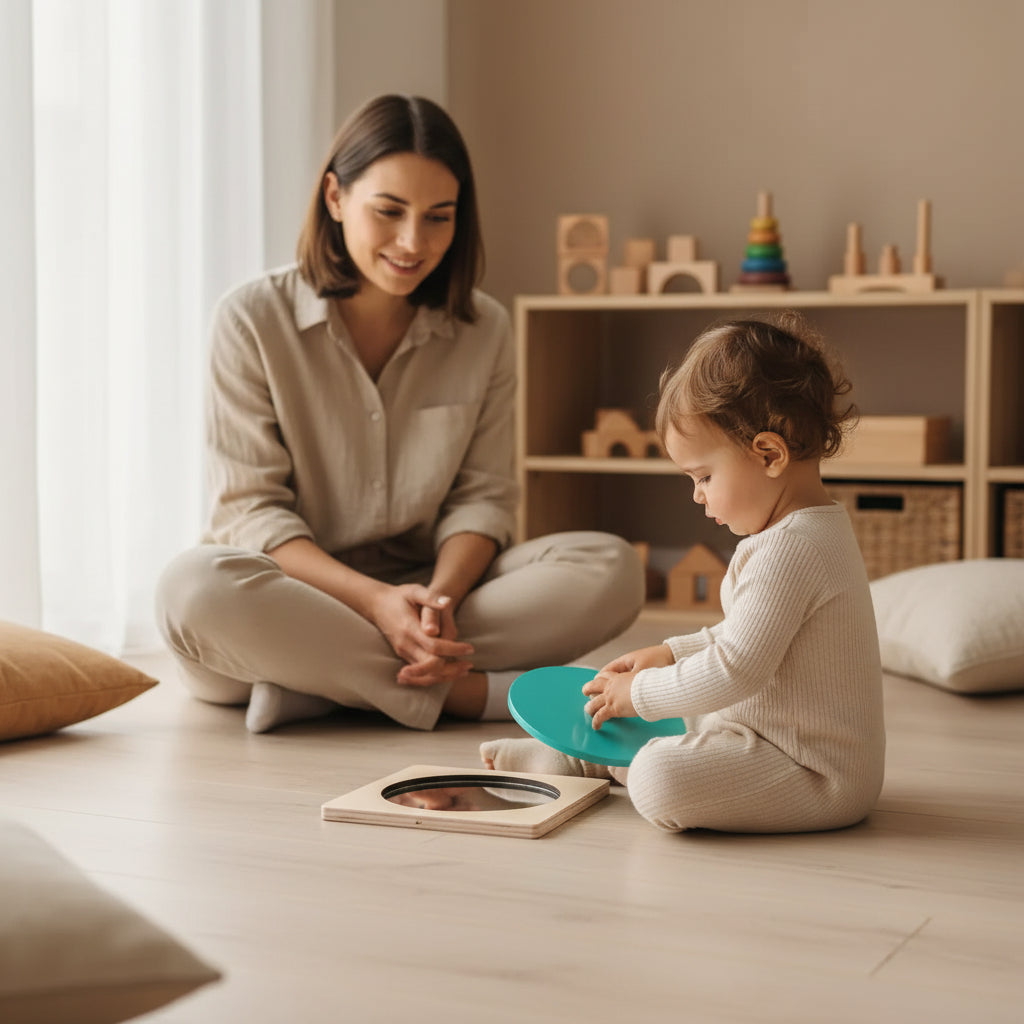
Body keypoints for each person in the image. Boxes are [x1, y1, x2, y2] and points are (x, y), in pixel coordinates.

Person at [155, 94, 643, 734]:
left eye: (439, 217)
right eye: (389, 211)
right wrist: (375, 604)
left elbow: (484, 499)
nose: (414, 243)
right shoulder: (250, 319)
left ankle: (319, 688)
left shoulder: (484, 328)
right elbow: (250, 512)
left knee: (612, 567)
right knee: (192, 589)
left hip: (434, 592)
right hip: (294, 593)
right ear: (335, 198)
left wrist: (434, 603)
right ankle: (465, 695)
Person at [482, 314, 886, 834]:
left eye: (703, 476)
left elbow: (737, 668)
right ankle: (579, 762)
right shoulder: (805, 532)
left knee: (658, 775)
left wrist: (639, 696)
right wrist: (672, 653)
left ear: (768, 453)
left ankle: (609, 764)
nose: (697, 495)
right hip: (768, 736)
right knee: (690, 706)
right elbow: (744, 638)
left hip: (813, 773)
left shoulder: (793, 549)